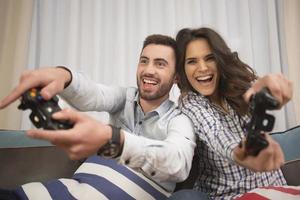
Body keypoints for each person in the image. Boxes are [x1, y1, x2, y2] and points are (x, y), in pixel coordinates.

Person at [0, 35, 199, 199]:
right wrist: (65, 76)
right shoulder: (125, 98)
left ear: (176, 78)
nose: (148, 70)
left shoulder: (179, 119)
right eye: (144, 61)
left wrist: (114, 139)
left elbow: (178, 162)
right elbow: (94, 94)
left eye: (160, 64)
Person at [168, 27, 293, 200]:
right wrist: (243, 153)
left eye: (210, 58)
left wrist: (270, 90)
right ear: (182, 69)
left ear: (220, 60)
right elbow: (216, 133)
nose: (203, 68)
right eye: (192, 61)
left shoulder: (238, 87)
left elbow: (259, 97)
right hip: (231, 195)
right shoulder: (190, 103)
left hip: (275, 189)